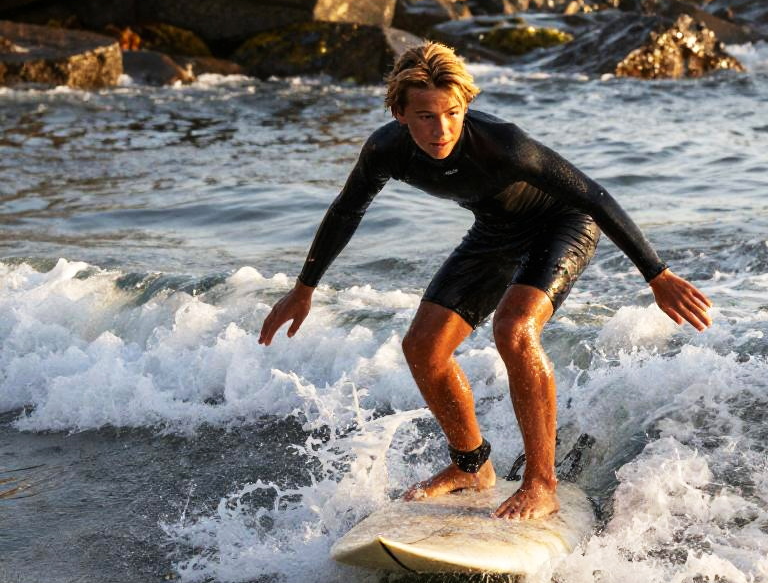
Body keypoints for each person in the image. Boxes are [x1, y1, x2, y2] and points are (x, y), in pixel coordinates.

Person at [258, 42, 712, 520]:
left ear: (465, 105)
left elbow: (593, 195)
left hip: (563, 224)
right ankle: (472, 465)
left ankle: (542, 483)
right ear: (400, 114)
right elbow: (348, 209)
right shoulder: (386, 150)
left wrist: (656, 274)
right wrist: (304, 288)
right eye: (426, 116)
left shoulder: (503, 144)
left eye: (452, 113)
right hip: (495, 230)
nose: (442, 129)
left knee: (514, 330)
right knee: (424, 348)